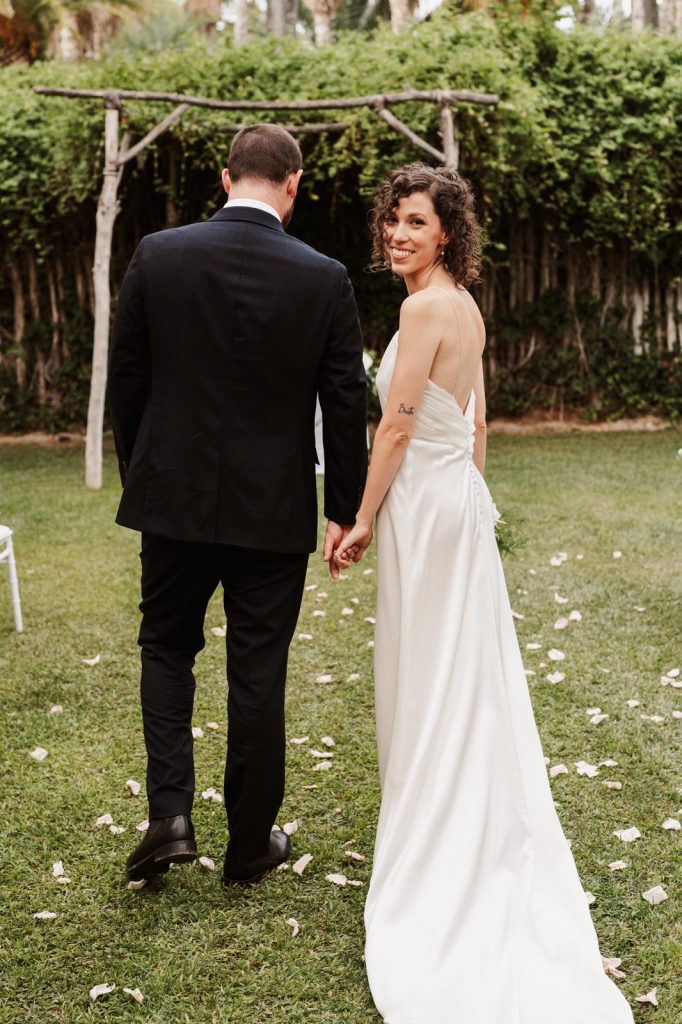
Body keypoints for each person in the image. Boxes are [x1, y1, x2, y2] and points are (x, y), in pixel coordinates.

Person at [334, 164, 634, 1023]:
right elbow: (475, 419)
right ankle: (458, 806)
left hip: (426, 509)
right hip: (455, 505)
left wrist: (360, 518)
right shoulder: (465, 305)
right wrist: (475, 499)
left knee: (430, 669)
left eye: (416, 223)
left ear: (447, 233)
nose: (398, 234)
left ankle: (437, 827)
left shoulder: (423, 309)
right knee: (460, 667)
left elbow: (394, 425)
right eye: (392, 220)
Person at [108, 124, 367, 886]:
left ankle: (169, 818)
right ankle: (250, 843)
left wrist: (144, 476)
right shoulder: (325, 276)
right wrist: (343, 506)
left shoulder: (159, 254)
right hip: (274, 508)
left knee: (166, 646)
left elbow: (129, 378)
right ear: (292, 185)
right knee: (258, 669)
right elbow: (344, 399)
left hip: (173, 501)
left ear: (227, 179)